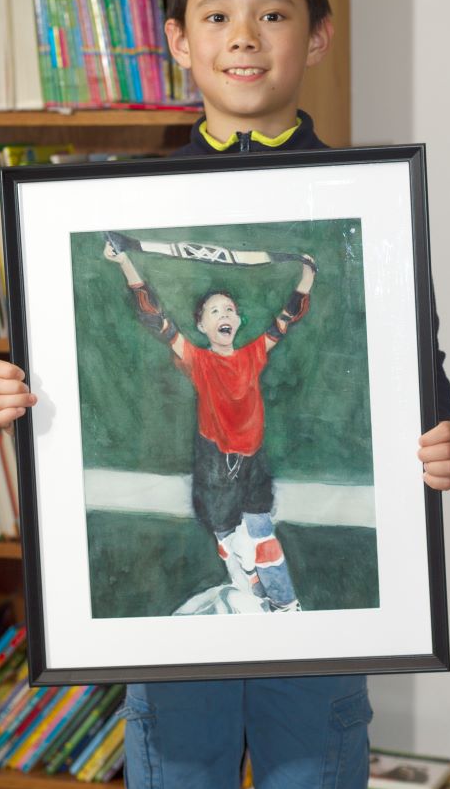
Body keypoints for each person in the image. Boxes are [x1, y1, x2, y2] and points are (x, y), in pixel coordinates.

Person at [0, 0, 450, 789]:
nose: (244, 37)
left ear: (318, 36)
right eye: (216, 16)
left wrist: (440, 442)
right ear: (178, 41)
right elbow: (80, 362)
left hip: (312, 637)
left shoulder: (365, 206)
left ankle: (264, 585)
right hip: (187, 609)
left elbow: (417, 374)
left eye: (274, 15)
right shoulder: (119, 204)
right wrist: (22, 398)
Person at [103, 238, 318, 613]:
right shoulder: (197, 360)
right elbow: (155, 317)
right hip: (214, 463)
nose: (225, 314)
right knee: (231, 541)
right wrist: (125, 262)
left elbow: (286, 319)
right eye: (215, 310)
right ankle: (251, 586)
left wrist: (307, 275)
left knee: (263, 538)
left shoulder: (254, 354)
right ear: (202, 324)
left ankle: (287, 606)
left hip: (253, 460)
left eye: (230, 309)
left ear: (237, 321)